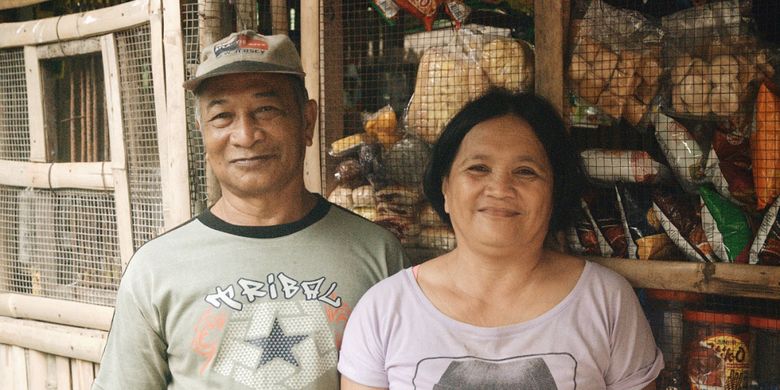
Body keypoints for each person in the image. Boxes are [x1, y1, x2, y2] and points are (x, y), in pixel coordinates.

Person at [93, 31, 406, 390]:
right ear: (202, 131)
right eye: (222, 116)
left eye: (266, 110)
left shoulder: (379, 255)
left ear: (307, 121)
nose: (245, 135)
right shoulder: (154, 270)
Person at [338, 89, 664, 389]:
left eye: (525, 171)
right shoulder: (384, 311)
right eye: (478, 168)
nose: (499, 188)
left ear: (555, 191)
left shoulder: (605, 302)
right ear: (446, 188)